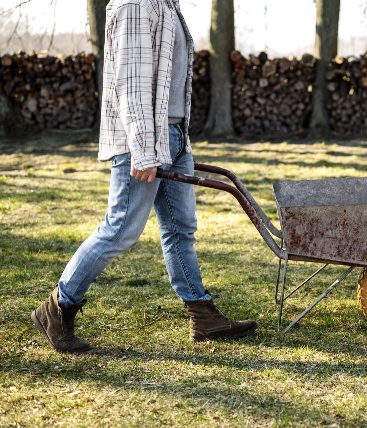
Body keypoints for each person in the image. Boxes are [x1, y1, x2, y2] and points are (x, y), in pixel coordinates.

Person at [31, 0, 256, 353]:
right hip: (144, 139)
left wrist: (176, 137)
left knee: (180, 228)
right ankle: (57, 308)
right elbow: (131, 85)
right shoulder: (136, 4)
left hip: (173, 134)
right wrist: (144, 149)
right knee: (119, 229)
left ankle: (202, 315)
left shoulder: (166, 4)